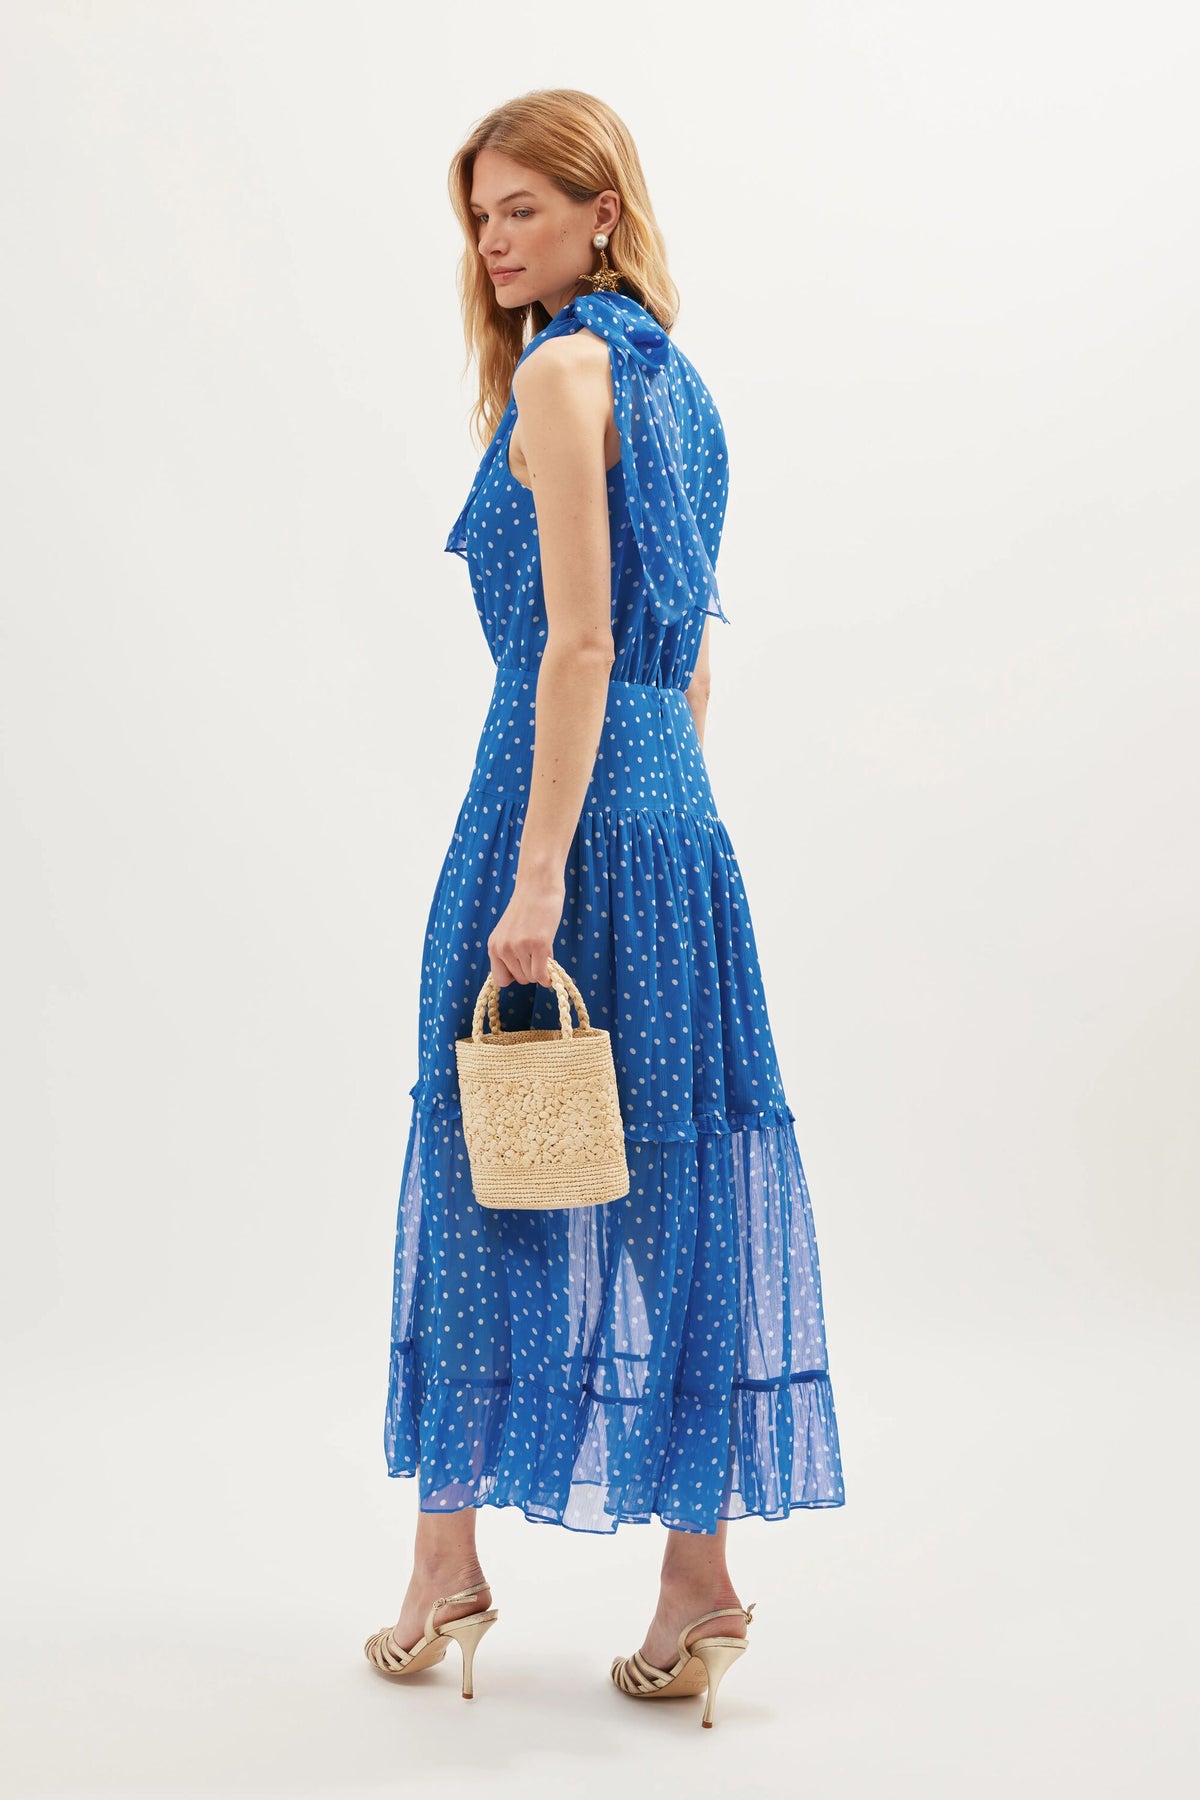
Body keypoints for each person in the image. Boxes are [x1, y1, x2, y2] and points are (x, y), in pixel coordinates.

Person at [363, 88, 846, 1726]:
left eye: (519, 210)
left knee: (487, 1149)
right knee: (669, 1187)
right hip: (671, 809)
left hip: (550, 801)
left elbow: (576, 642)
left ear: (599, 211)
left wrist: (545, 872)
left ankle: (448, 1563)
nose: (493, 243)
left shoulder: (571, 372)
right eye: (478, 218)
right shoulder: (677, 383)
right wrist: (657, 808)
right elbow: (686, 639)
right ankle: (696, 1585)